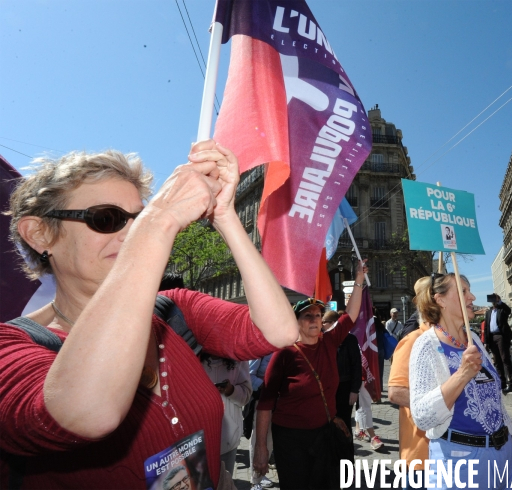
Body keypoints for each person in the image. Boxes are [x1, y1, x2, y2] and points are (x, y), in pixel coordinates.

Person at [0, 141, 298, 489]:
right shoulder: (11, 345)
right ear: (39, 234)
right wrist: (156, 222)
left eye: (137, 218)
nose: (130, 234)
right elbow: (88, 414)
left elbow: (278, 331)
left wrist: (224, 216)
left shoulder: (173, 307)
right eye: (106, 218)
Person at [253, 263, 367, 490]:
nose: (315, 319)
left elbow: (351, 315)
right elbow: (265, 404)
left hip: (325, 435)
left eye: (318, 315)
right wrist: (261, 447)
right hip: (291, 440)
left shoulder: (329, 342)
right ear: (296, 321)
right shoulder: (284, 353)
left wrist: (359, 279)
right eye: (308, 316)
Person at [409, 273, 512, 489]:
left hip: (504, 454)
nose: (472, 297)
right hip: (461, 462)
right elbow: (421, 416)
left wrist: (510, 447)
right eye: (463, 292)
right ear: (440, 300)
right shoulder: (425, 346)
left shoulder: (474, 339)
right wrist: (461, 374)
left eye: (469, 290)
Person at [388, 280, 429, 490]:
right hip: (420, 455)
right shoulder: (413, 338)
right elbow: (396, 392)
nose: (470, 298)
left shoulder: (463, 340)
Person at [200, 353, 252, 477]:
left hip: (228, 440)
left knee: (225, 483)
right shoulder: (192, 358)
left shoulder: (239, 359)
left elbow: (245, 397)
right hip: (200, 442)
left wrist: (231, 390)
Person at [322, 309, 361, 460]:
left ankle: (347, 462)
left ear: (333, 324)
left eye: (324, 322)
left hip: (345, 389)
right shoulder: (324, 339)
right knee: (329, 425)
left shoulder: (350, 340)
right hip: (329, 389)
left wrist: (354, 390)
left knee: (344, 425)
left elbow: (356, 366)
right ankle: (333, 461)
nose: (322, 325)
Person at [247, 354, 274, 490]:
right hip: (263, 400)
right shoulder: (261, 347)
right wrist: (268, 387)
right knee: (259, 439)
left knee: (270, 441)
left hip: (280, 401)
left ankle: (262, 474)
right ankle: (255, 480)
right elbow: (249, 376)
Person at [483, 293, 512, 392]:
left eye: (494, 299)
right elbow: (486, 327)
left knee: (505, 358)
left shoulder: (502, 310)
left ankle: (511, 382)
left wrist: (499, 301)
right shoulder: (488, 313)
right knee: (497, 361)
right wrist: (486, 342)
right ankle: (502, 382)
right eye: (492, 300)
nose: (493, 302)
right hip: (492, 337)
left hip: (501, 336)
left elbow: (509, 311)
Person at [354, 379, 384, 451]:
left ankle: (358, 430)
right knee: (364, 404)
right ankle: (373, 437)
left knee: (361, 401)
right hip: (361, 374)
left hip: (363, 374)